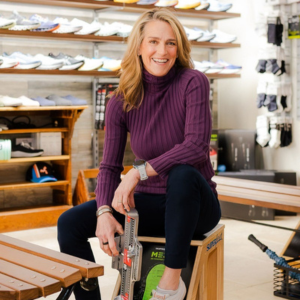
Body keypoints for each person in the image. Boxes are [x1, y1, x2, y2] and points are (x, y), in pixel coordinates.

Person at [57, 8, 221, 300]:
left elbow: (196, 146)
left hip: (195, 206)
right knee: (69, 223)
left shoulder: (193, 82)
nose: (163, 51)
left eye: (171, 43)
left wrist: (138, 172)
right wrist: (104, 211)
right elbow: (108, 167)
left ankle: (170, 285)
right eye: (154, 42)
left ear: (179, 48)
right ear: (140, 47)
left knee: (183, 173)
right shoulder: (120, 100)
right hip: (153, 206)